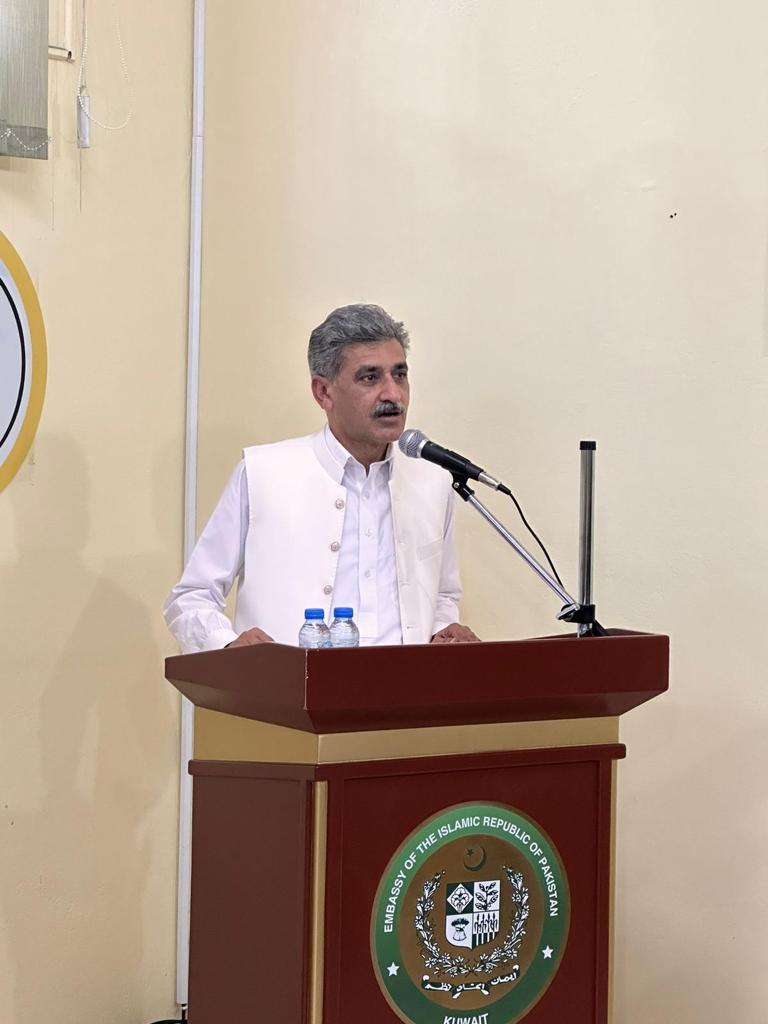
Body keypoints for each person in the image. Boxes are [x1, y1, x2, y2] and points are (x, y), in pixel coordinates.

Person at [163, 304, 479, 651]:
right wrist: (229, 646)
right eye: (370, 377)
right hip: (287, 683)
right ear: (323, 392)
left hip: (405, 682)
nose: (393, 394)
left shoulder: (432, 480)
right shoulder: (263, 473)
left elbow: (443, 595)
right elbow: (192, 597)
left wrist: (444, 629)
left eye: (399, 374)